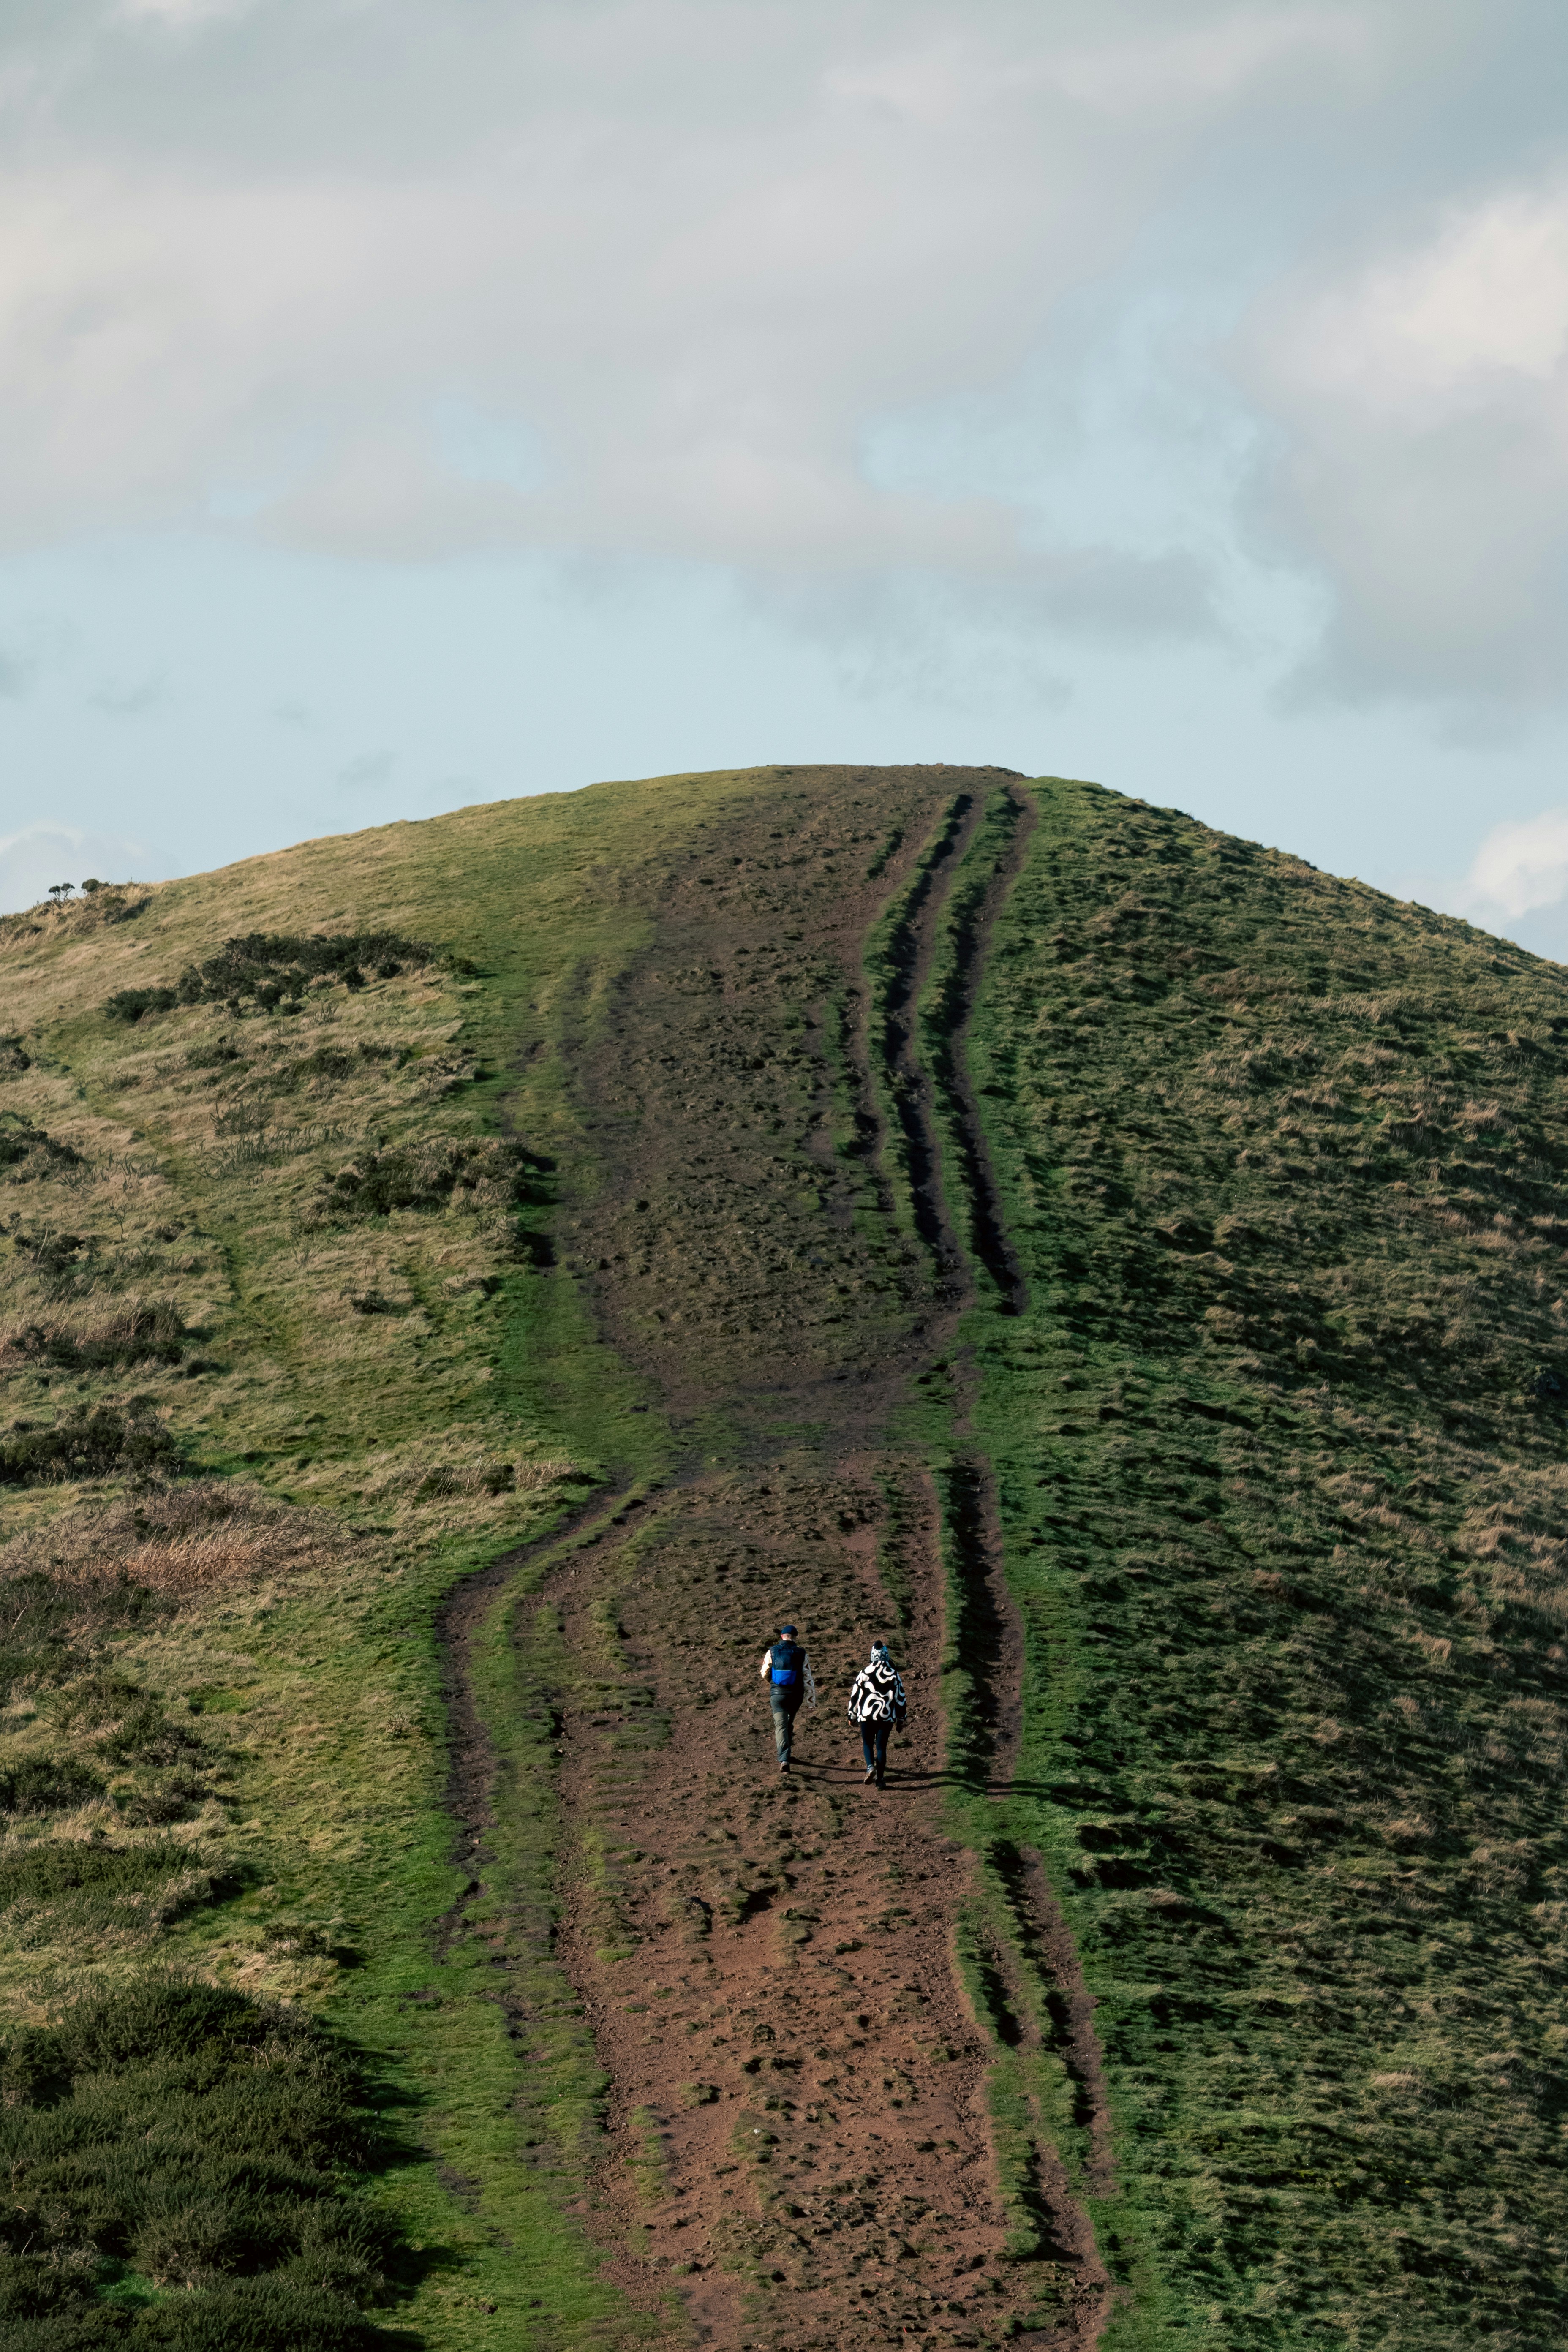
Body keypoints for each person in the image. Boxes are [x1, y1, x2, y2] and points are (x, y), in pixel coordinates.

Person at [846, 1639, 907, 1788]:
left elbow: (855, 1696)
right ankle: (880, 1780)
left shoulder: (864, 1673)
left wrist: (851, 1716)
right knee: (881, 1747)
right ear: (887, 1656)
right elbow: (900, 1699)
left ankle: (869, 1767)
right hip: (886, 1718)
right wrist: (901, 1719)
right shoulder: (894, 1674)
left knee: (867, 1743)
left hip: (866, 1716)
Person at [757, 1622, 816, 1773]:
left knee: (781, 1725)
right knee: (789, 1723)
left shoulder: (772, 1651)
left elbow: (765, 1672)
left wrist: (772, 1682)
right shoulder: (801, 1653)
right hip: (796, 1696)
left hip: (778, 1695)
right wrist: (811, 1702)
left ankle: (784, 1759)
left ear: (782, 1637)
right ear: (795, 1638)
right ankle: (787, 1754)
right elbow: (807, 1677)